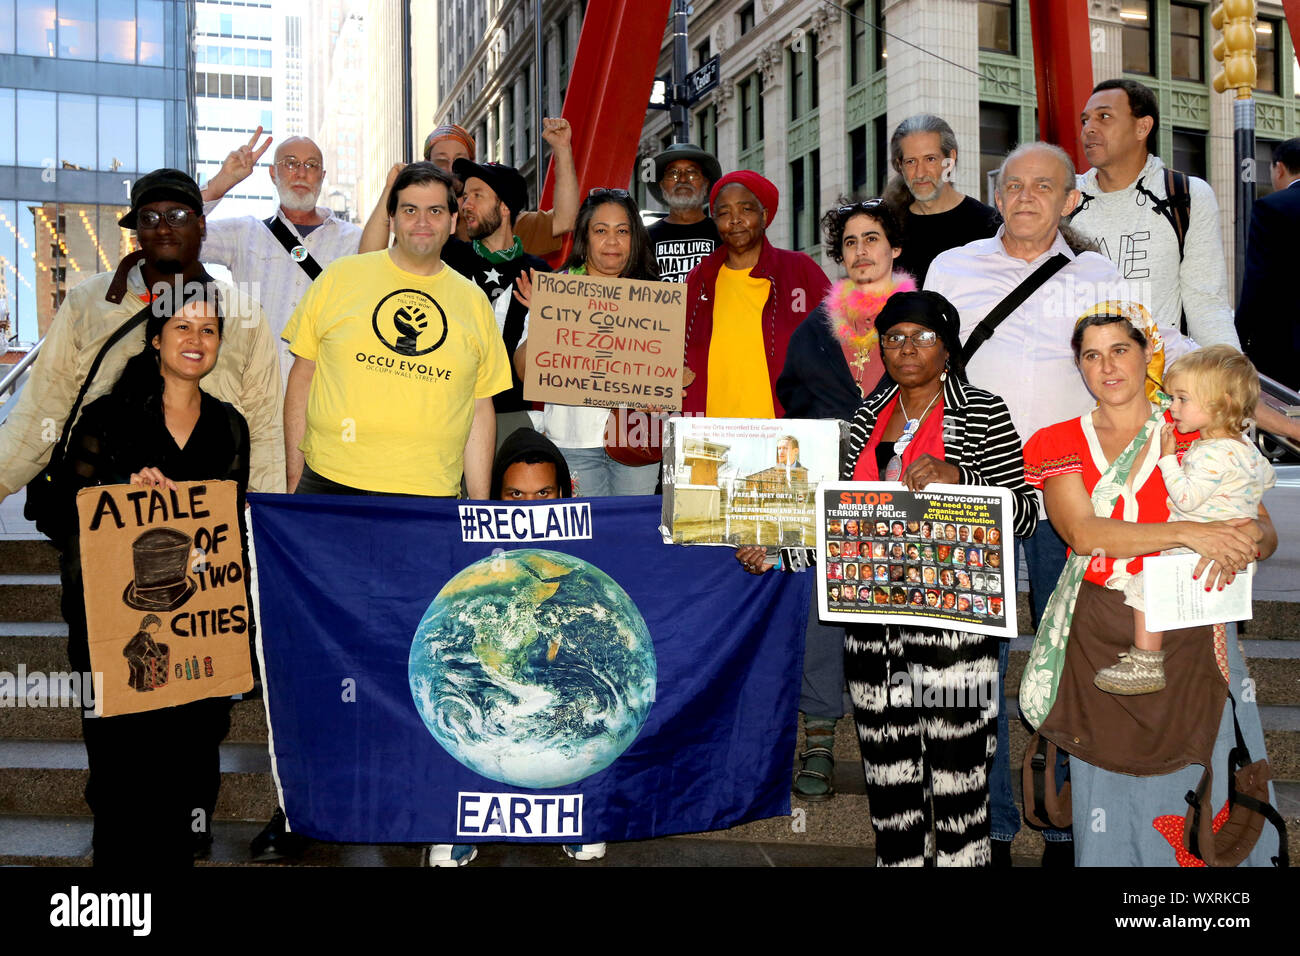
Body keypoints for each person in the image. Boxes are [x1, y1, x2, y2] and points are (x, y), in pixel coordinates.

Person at [925, 142, 1135, 863]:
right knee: (970, 664)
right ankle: (991, 823)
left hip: (1067, 489)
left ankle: (1063, 819)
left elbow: (1140, 362)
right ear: (997, 193)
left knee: (1068, 660)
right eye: (1012, 185)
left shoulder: (1099, 276)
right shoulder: (953, 268)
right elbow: (928, 368)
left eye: (1043, 186)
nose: (1024, 197)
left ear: (1070, 199)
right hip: (971, 488)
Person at [1021, 309, 1280, 866]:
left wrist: (1243, 540)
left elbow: (1264, 532)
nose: (1106, 365)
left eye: (1120, 349)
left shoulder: (1196, 428)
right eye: (1091, 355)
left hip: (1193, 625)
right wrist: (1192, 531)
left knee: (1200, 771)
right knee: (1109, 784)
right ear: (1079, 368)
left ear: (1147, 355)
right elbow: (1085, 533)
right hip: (1103, 631)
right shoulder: (1057, 441)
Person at [839, 291, 1036, 865]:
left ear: (946, 347)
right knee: (889, 780)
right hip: (873, 626)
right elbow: (839, 520)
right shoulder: (864, 419)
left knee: (959, 783)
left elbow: (1024, 510)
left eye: (921, 337)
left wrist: (962, 475)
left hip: (956, 625)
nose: (906, 348)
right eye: (894, 337)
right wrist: (778, 551)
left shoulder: (981, 411)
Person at [55, 287, 249, 866]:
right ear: (156, 338)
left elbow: (229, 524)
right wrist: (121, 493)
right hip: (117, 625)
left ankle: (185, 845)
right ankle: (118, 868)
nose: (196, 341)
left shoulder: (229, 426)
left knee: (194, 751)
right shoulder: (108, 418)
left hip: (197, 624)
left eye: (208, 330)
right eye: (183, 328)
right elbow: (65, 504)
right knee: (120, 755)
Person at [0, 168, 284, 505]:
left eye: (177, 215)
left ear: (202, 224)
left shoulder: (242, 313)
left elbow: (265, 425)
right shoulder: (89, 302)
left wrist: (269, 508)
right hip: (107, 510)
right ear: (137, 232)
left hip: (209, 517)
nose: (163, 227)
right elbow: (43, 407)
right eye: (148, 218)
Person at [426, 426, 604, 866]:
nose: (530, 508)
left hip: (560, 686)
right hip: (480, 689)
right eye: (515, 496)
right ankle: (455, 823)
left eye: (544, 494)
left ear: (566, 490)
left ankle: (582, 817)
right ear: (494, 496)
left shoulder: (601, 541)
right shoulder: (460, 545)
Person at [282, 162, 511, 497]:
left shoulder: (475, 302)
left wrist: (479, 503)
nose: (422, 221)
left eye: (434, 210)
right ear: (391, 219)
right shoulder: (340, 277)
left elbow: (479, 406)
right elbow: (303, 376)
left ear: (452, 222)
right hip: (329, 486)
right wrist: (294, 477)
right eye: (409, 210)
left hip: (431, 497)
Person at [1094, 346, 1276, 695]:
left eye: (1181, 399)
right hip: (1232, 558)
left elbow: (1186, 498)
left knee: (1141, 587)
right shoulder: (1246, 449)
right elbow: (1265, 480)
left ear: (1218, 403)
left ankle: (1146, 662)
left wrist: (1168, 459)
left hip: (1194, 554)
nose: (1172, 408)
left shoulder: (1209, 453)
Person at [511, 189, 662, 496]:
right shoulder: (556, 291)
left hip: (637, 438)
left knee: (631, 538)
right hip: (572, 440)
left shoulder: (654, 297)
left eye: (622, 231)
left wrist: (661, 391)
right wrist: (545, 317)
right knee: (586, 542)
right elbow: (526, 373)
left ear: (635, 238)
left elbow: (668, 373)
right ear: (585, 236)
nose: (612, 241)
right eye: (601, 230)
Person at [1072, 79, 1236, 346]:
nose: (1089, 129)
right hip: (1078, 377)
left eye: (1104, 117)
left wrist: (1230, 370)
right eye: (1085, 120)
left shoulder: (1186, 195)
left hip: (1161, 377)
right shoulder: (1064, 200)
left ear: (1142, 127)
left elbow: (1206, 302)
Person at [199, 128, 362, 384]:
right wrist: (222, 181)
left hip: (322, 395)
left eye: (311, 165)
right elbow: (170, 235)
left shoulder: (354, 240)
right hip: (252, 394)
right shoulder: (244, 233)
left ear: (322, 176)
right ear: (273, 173)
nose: (301, 172)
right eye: (290, 164)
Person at [683, 170, 831, 419]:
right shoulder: (698, 278)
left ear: (764, 216)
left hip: (786, 433)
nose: (735, 220)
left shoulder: (799, 269)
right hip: (709, 435)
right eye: (724, 213)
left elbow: (838, 337)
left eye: (746, 210)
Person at [442, 159, 551, 448]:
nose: (466, 204)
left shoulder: (539, 272)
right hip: (450, 413)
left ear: (505, 206)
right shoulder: (447, 257)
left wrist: (547, 316)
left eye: (477, 195)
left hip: (515, 418)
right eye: (465, 196)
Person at [778, 199, 916, 420]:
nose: (860, 251)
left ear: (895, 248)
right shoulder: (813, 331)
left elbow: (949, 400)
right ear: (841, 256)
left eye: (871, 239)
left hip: (904, 453)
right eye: (851, 242)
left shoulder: (924, 321)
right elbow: (796, 410)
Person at [396, 120, 578, 259]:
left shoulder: (504, 221)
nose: (450, 169)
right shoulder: (417, 224)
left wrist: (562, 148)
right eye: (441, 162)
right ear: (427, 166)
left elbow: (565, 220)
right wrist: (391, 188)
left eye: (458, 160)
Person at [882, 114, 1001, 284]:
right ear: (900, 166)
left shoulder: (990, 225)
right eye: (910, 162)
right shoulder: (887, 229)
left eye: (930, 159)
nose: (920, 173)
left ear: (950, 158)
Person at [1235, 137, 1300, 389]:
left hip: (1283, 346)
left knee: (1282, 416)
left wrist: (1238, 339)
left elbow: (1258, 280)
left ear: (1279, 168)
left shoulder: (1271, 208)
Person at [645, 142, 723, 282]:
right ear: (662, 187)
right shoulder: (643, 238)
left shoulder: (725, 233)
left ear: (705, 186)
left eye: (692, 173)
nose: (682, 179)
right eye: (673, 173)